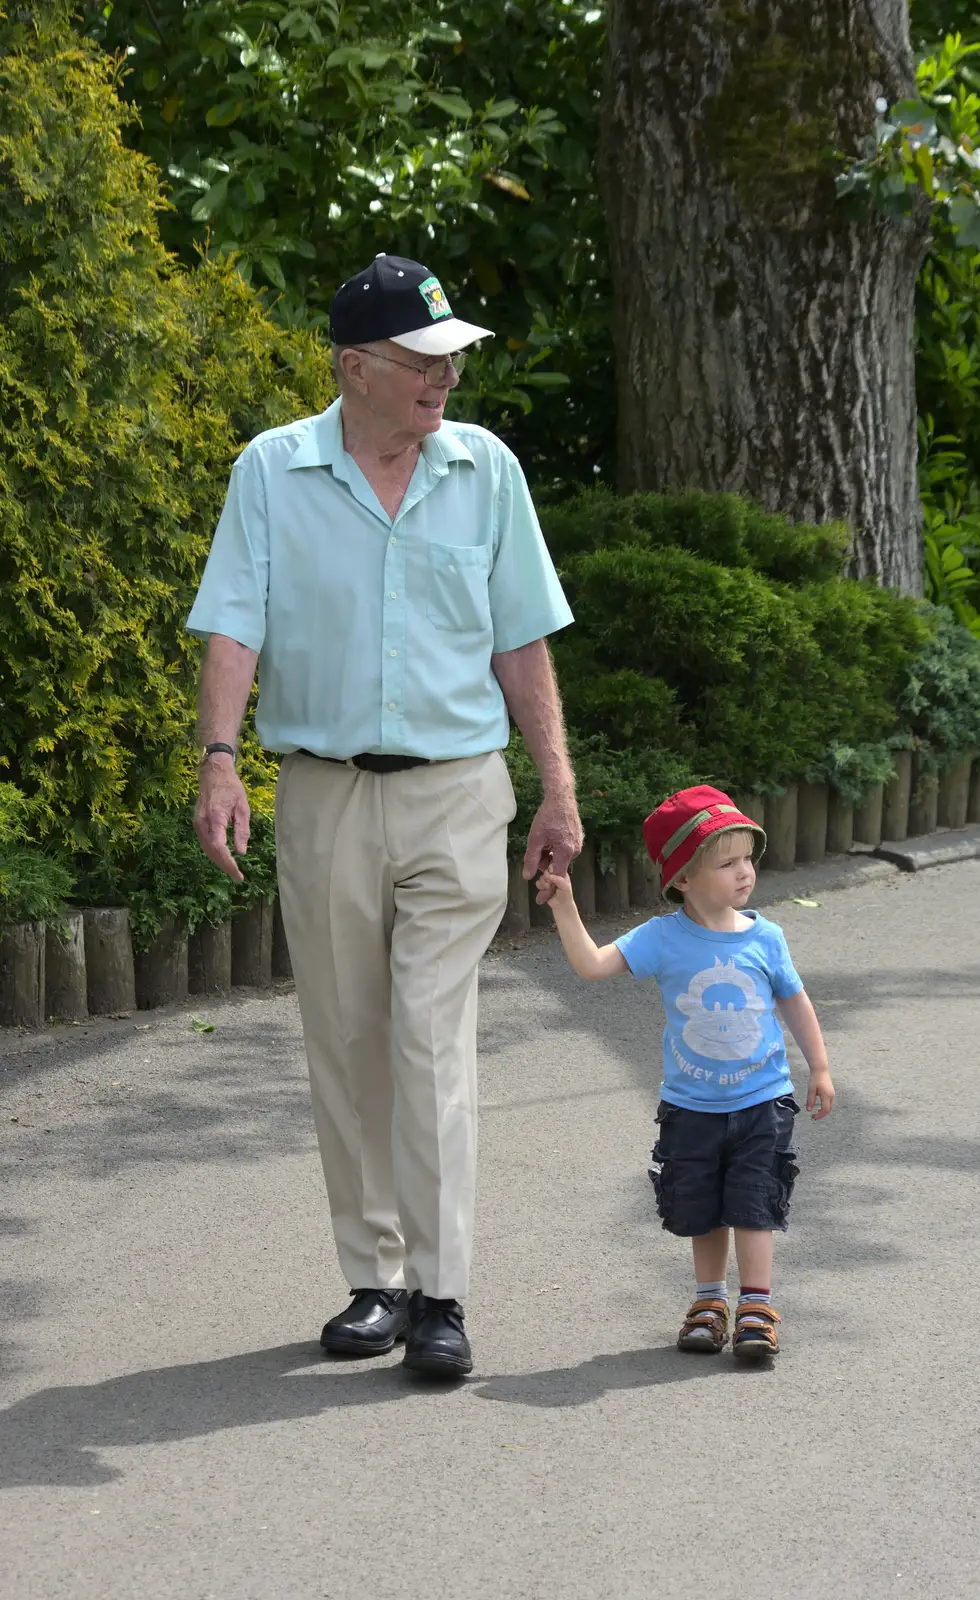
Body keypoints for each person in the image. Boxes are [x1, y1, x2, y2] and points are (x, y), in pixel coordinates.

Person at [187, 254, 582, 1379]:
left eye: (452, 357)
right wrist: (220, 761)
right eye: (422, 359)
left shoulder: (486, 471)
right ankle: (377, 1279)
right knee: (349, 1037)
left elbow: (521, 638)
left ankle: (444, 1292)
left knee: (427, 1035)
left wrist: (556, 784)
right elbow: (234, 625)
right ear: (354, 366)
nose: (444, 377)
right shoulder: (271, 472)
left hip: (460, 793)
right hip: (323, 793)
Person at [538, 784, 834, 1360]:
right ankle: (708, 1301)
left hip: (761, 1101)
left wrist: (819, 1066)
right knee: (702, 1207)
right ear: (683, 879)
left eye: (748, 857)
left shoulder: (766, 937)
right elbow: (591, 965)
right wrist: (564, 905)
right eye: (727, 863)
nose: (744, 872)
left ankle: (756, 1305)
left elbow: (795, 1001)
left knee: (753, 1203)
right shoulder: (661, 938)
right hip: (691, 1105)